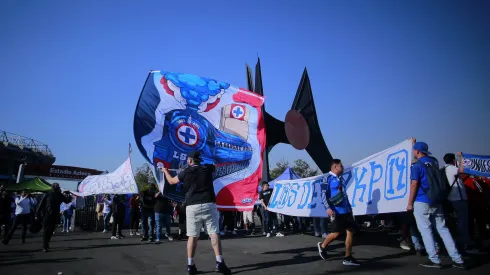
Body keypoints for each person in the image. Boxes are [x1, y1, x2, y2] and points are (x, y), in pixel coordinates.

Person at [161, 151, 231, 275]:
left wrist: (165, 171)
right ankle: (219, 262)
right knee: (214, 232)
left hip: (192, 205)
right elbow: (217, 165)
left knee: (192, 236)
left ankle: (190, 265)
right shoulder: (207, 168)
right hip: (209, 203)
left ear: (189, 161)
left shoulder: (185, 172)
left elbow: (171, 181)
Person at [407, 141, 464, 268]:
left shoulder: (416, 166)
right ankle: (457, 258)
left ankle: (435, 259)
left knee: (426, 230)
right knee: (443, 229)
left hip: (422, 200)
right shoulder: (434, 162)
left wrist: (410, 203)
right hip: (437, 200)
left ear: (416, 151)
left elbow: (414, 184)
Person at [317, 159, 360, 266]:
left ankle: (347, 257)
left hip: (347, 211)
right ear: (335, 167)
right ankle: (323, 246)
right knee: (336, 233)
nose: (343, 167)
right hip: (337, 211)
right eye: (341, 165)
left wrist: (350, 208)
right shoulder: (327, 178)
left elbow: (344, 194)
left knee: (350, 231)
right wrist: (327, 208)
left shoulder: (341, 178)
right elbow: (323, 194)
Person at [443, 153, 479, 253]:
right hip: (458, 198)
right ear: (453, 160)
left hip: (450, 199)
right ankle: (466, 243)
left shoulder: (444, 169)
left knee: (455, 223)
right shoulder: (451, 168)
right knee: (463, 222)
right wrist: (462, 157)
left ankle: (459, 241)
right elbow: (462, 170)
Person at [36, 183, 72, 252]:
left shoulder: (59, 195)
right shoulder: (47, 194)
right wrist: (37, 214)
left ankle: (47, 243)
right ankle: (45, 246)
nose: (57, 188)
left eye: (57, 187)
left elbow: (67, 201)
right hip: (47, 215)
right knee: (46, 230)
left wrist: (69, 195)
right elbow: (40, 204)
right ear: (53, 187)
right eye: (56, 187)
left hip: (55, 215)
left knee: (51, 230)